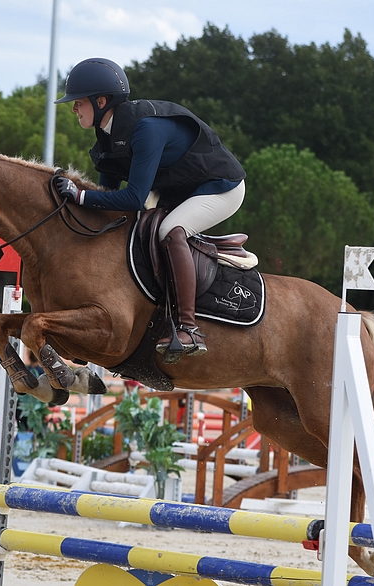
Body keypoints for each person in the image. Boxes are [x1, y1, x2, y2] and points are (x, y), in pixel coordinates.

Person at [53, 57, 246, 360]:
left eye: (78, 102)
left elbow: (131, 199)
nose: (74, 108)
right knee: (132, 232)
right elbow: (107, 198)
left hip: (219, 187)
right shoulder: (105, 136)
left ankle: (188, 328)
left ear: (101, 101)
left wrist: (80, 196)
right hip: (177, 190)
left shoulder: (145, 129)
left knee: (170, 231)